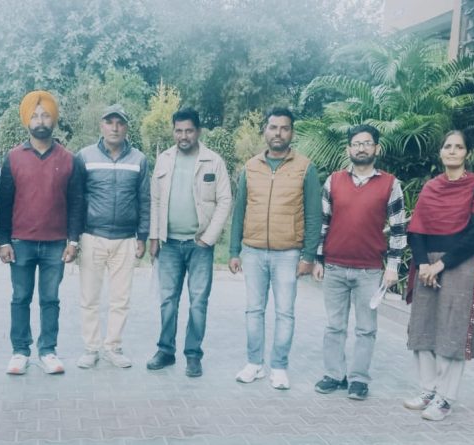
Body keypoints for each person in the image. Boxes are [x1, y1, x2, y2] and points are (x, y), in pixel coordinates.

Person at [404, 130, 474, 421]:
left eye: (459, 147)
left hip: (461, 264)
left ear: (467, 153)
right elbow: (416, 228)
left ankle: (445, 398)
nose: (452, 151)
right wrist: (424, 263)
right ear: (440, 152)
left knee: (452, 329)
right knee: (423, 325)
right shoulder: (431, 187)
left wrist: (442, 264)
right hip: (427, 264)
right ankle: (428, 390)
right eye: (447, 146)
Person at [228, 107, 322, 390]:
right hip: (253, 251)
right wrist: (234, 251)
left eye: (284, 128)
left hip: (288, 253)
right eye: (273, 127)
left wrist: (308, 255)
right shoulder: (250, 167)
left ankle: (279, 367)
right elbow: (239, 210)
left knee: (285, 313)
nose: (278, 133)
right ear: (265, 130)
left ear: (291, 132)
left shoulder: (305, 168)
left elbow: (314, 215)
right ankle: (254, 364)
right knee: (253, 310)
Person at [312, 124, 406, 400]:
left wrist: (392, 267)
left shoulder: (390, 184)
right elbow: (322, 223)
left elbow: (399, 230)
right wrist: (318, 259)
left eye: (367, 143)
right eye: (356, 143)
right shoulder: (334, 181)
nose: (361, 148)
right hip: (334, 267)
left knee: (366, 329)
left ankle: (358, 379)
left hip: (369, 271)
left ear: (376, 148)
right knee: (334, 326)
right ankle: (334, 374)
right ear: (348, 149)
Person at [0, 90, 84, 375]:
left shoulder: (69, 159)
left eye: (45, 115)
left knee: (50, 300)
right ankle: (20, 352)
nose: (40, 120)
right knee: (20, 298)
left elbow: (76, 203)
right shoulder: (13, 158)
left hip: (55, 244)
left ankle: (48, 350)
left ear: (53, 119)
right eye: (34, 116)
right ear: (27, 120)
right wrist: (3, 241)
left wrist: (73, 240)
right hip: (20, 242)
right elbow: (4, 203)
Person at [146, 108, 232, 377]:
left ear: (198, 131)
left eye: (189, 131)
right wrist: (154, 236)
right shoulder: (164, 159)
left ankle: (193, 355)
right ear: (174, 131)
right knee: (167, 300)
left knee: (198, 302)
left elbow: (225, 201)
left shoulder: (213, 161)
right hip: (169, 244)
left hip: (199, 246)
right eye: (179, 131)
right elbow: (155, 200)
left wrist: (208, 238)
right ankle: (165, 351)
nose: (183, 136)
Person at [74, 104, 149, 369]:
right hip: (92, 236)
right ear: (101, 125)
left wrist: (143, 235)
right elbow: (77, 199)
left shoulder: (139, 159)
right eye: (109, 122)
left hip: (126, 239)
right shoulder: (84, 156)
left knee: (120, 299)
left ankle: (113, 347)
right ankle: (91, 348)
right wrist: (74, 238)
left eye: (120, 123)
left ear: (126, 127)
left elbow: (144, 199)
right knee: (89, 298)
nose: (115, 128)